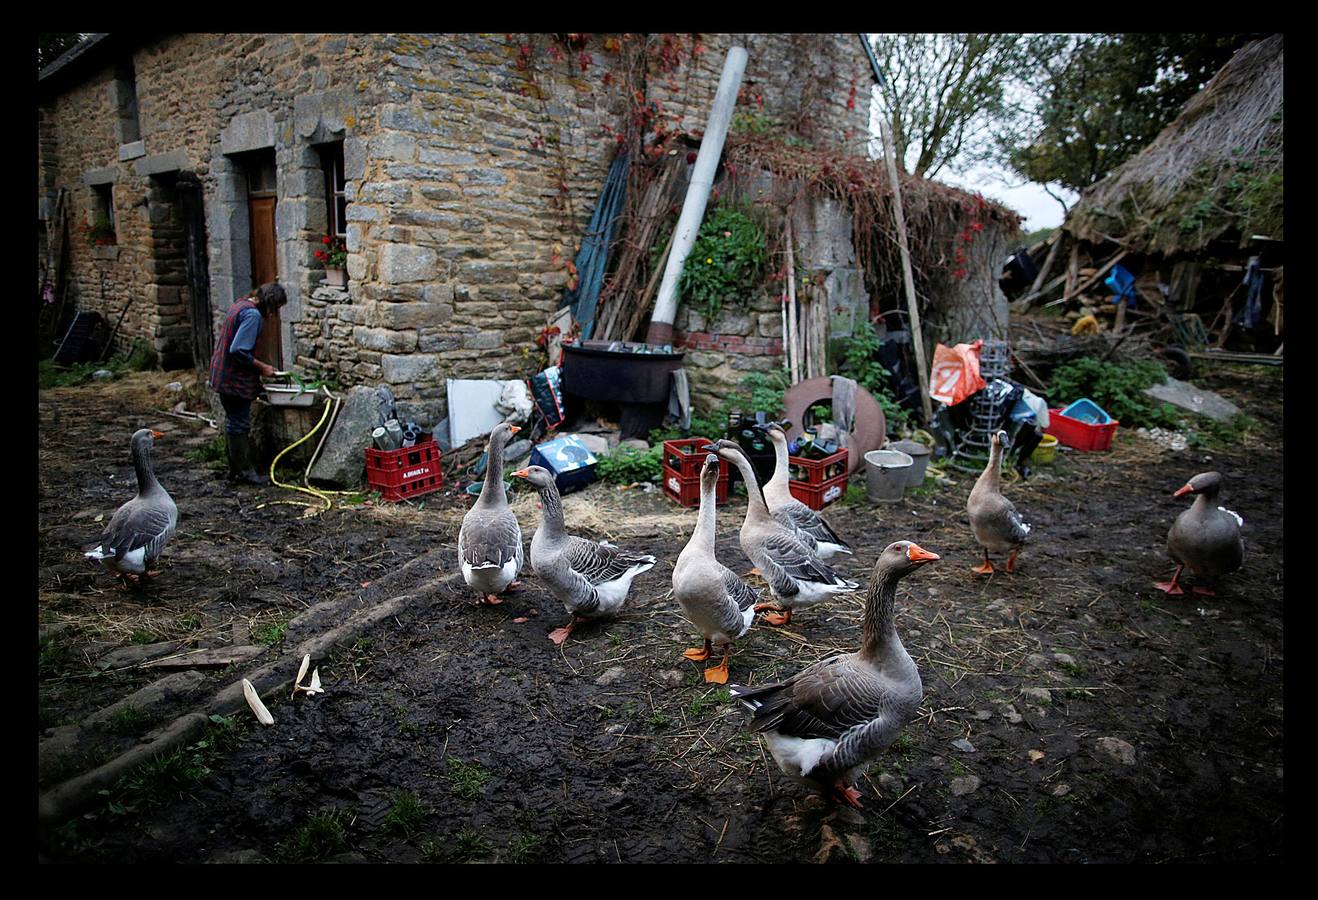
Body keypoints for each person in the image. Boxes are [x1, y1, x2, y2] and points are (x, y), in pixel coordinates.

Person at [208, 282, 287, 484]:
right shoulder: (252, 315)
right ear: (270, 304)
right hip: (233, 379)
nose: (274, 314)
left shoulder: (241, 303)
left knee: (233, 422)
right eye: (276, 308)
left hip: (222, 374)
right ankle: (244, 471)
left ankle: (235, 470)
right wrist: (263, 368)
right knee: (238, 424)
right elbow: (238, 350)